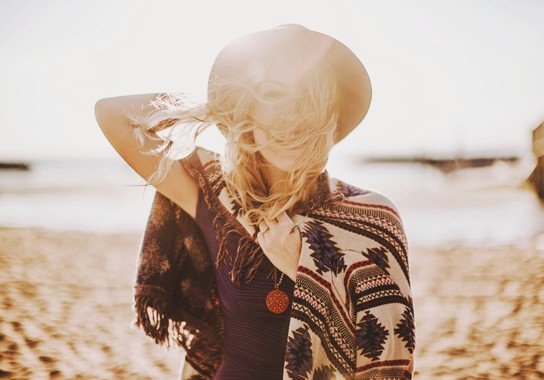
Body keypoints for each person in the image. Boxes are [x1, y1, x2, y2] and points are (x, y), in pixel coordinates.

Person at [95, 24, 414, 380]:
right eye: (276, 95)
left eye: (310, 98)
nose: (292, 119)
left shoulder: (373, 217)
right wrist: (218, 107)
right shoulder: (217, 195)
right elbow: (111, 115)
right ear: (247, 110)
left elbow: (385, 358)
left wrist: (304, 269)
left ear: (328, 115)